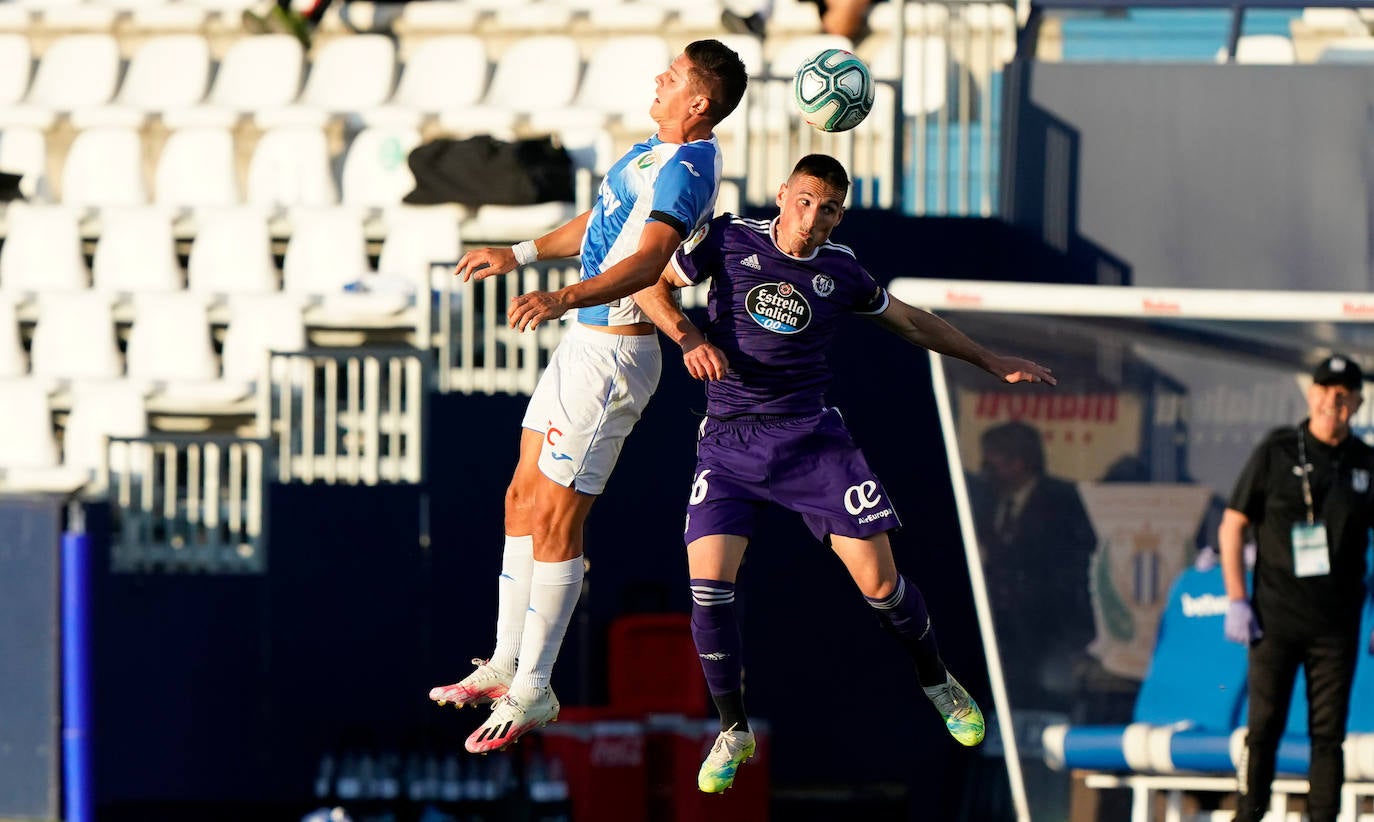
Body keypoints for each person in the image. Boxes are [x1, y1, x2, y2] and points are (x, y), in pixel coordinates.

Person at [633, 154, 1057, 793]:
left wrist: (989, 360)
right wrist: (690, 337)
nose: (812, 219)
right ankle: (732, 729)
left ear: (839, 216)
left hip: (811, 442)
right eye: (804, 201)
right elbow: (649, 285)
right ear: (783, 195)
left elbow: (911, 321)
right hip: (730, 443)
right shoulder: (727, 239)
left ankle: (937, 680)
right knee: (708, 586)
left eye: (828, 208)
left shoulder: (842, 270)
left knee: (881, 585)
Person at [426, 39, 749, 755]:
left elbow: (645, 262)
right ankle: (506, 663)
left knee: (558, 517)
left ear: (698, 102)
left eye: (672, 77)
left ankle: (536, 686)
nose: (658, 81)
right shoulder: (646, 153)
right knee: (520, 499)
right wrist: (520, 253)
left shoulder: (691, 168)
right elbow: (601, 225)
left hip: (613, 357)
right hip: (582, 345)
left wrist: (563, 293)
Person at [1220, 354, 1374, 822]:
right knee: (1263, 727)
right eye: (1327, 389)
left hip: (1336, 626)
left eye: (1345, 392)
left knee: (1327, 736)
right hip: (1273, 620)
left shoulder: (1366, 462)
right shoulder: (1278, 449)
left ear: (1359, 402)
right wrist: (1236, 601)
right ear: (1311, 395)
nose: (1335, 400)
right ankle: (1250, 814)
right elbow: (1232, 526)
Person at [973, 420, 1097, 715]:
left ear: (1019, 463)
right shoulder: (986, 503)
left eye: (994, 464)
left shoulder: (1062, 501)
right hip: (1001, 631)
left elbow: (1071, 565)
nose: (986, 473)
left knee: (1045, 699)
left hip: (1049, 631)